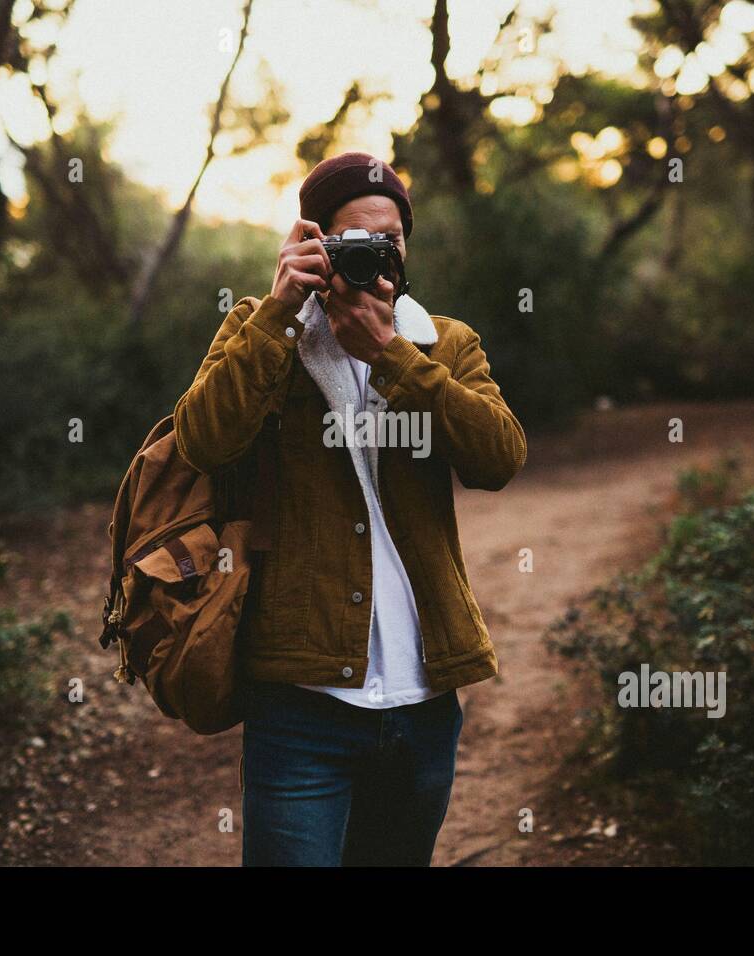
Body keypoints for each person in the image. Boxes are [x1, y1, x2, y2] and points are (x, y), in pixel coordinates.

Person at [172, 151, 527, 866]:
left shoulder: (442, 343)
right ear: (313, 242)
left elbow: (499, 458)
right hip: (301, 704)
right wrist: (277, 314)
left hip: (424, 700)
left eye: (389, 240)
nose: (375, 255)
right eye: (353, 241)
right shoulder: (261, 330)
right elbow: (203, 440)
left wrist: (394, 354)